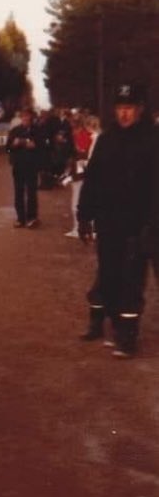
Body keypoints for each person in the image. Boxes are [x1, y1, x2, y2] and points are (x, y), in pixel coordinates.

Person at [76, 82, 155, 358]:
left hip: (138, 226)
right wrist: (84, 215)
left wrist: (151, 226)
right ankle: (109, 325)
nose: (124, 114)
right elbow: (92, 180)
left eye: (129, 108)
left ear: (141, 110)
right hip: (108, 224)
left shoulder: (152, 141)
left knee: (131, 281)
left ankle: (128, 337)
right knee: (108, 276)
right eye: (120, 108)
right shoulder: (107, 139)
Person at [5, 108, 43, 228]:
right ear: (21, 118)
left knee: (32, 192)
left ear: (31, 118)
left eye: (28, 117)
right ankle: (20, 218)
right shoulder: (15, 131)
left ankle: (32, 218)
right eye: (24, 117)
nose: (26, 119)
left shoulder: (37, 130)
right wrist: (14, 144)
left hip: (32, 165)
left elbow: (42, 146)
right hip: (19, 165)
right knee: (19, 192)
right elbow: (7, 149)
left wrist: (35, 145)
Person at [64, 112, 94, 238]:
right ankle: (88, 229)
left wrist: (72, 175)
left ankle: (78, 228)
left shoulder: (82, 137)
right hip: (81, 173)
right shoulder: (87, 135)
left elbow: (82, 157)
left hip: (80, 174)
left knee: (76, 203)